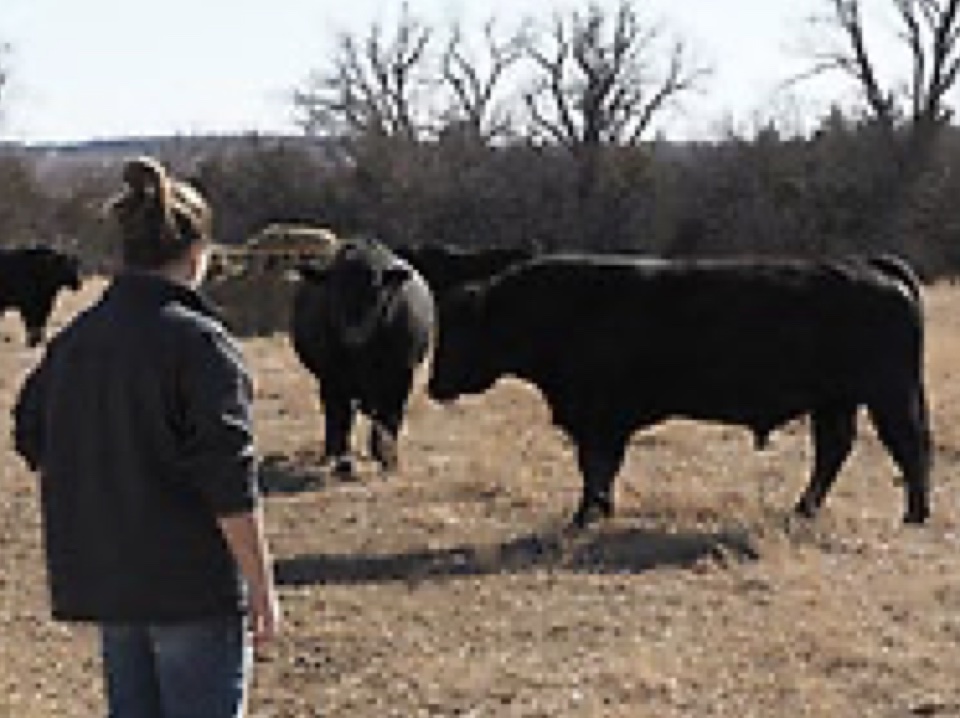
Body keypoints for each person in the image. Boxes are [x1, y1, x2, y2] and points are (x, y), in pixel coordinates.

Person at [12, 156, 281, 718]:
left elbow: (29, 431)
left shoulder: (76, 341)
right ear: (197, 253)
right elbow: (228, 479)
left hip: (113, 581)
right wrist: (261, 586)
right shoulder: (200, 344)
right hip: (191, 587)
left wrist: (106, 480)